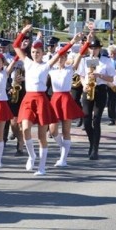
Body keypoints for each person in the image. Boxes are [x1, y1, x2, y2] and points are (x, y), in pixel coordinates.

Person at [12, 25, 67, 175]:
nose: (35, 54)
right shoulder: (27, 62)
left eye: (38, 52)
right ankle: (31, 155)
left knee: (42, 136)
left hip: (41, 99)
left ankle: (42, 167)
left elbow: (61, 52)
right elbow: (16, 45)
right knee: (25, 129)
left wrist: (72, 41)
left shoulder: (47, 65)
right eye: (33, 52)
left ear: (43, 53)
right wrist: (23, 32)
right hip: (29, 98)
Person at [47, 33, 87, 167]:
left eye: (63, 57)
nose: (60, 60)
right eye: (59, 57)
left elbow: (80, 56)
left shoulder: (70, 69)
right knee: (52, 130)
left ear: (66, 58)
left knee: (66, 130)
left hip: (65, 99)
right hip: (55, 99)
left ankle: (63, 158)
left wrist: (85, 43)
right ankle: (63, 146)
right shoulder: (51, 70)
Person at [76, 34, 116, 160]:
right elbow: (81, 75)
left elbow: (112, 78)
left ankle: (95, 149)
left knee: (96, 120)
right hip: (88, 88)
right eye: (92, 48)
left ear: (99, 49)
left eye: (96, 48)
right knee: (86, 119)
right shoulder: (84, 60)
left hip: (100, 89)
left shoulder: (106, 61)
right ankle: (91, 142)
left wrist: (99, 75)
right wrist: (84, 85)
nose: (94, 50)